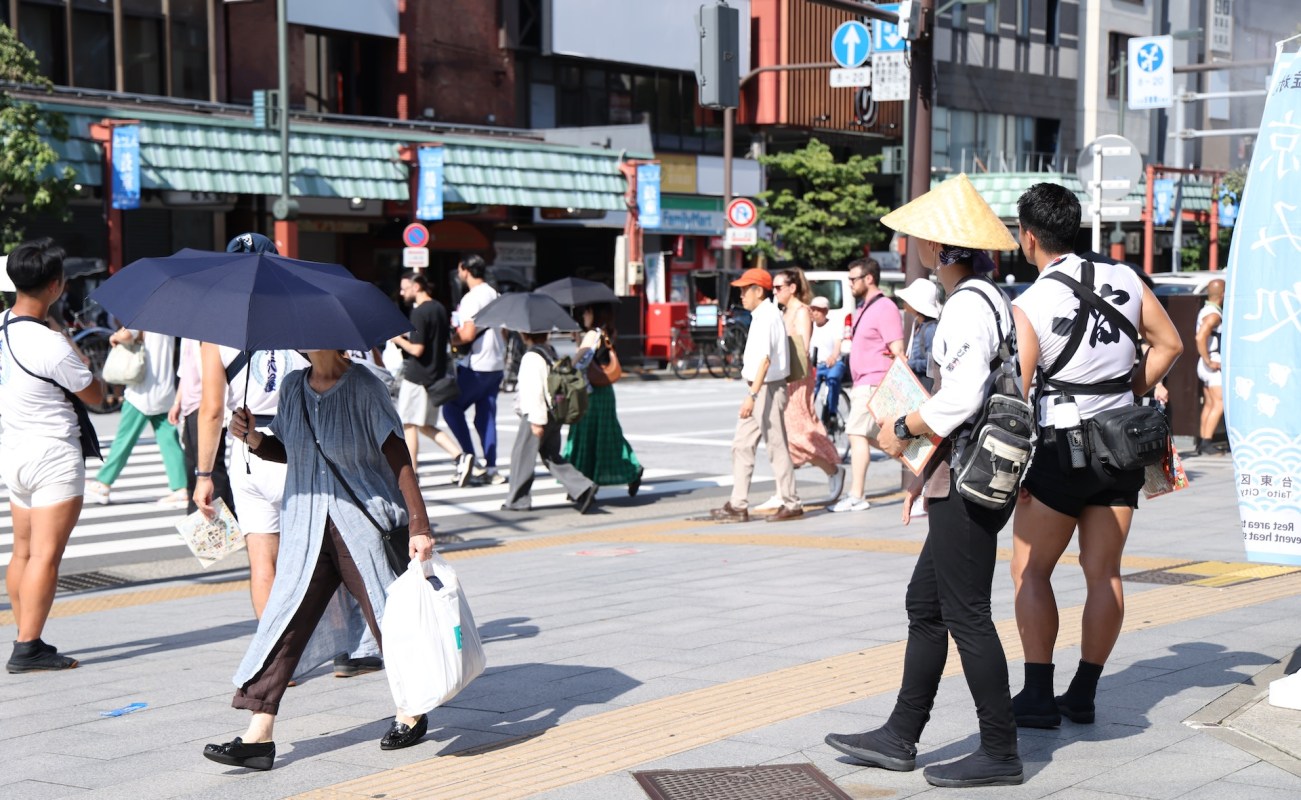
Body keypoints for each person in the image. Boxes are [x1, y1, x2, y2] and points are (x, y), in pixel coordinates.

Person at [825, 174, 1026, 788]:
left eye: (920, 238)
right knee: (927, 605)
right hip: (967, 471)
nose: (914, 246)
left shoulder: (967, 304)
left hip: (967, 476)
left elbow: (960, 396)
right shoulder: (989, 299)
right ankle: (901, 734)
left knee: (966, 614)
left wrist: (904, 427)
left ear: (940, 249)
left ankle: (1000, 750)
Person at [201, 349, 436, 770]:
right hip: (305, 527)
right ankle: (259, 733)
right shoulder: (293, 386)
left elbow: (398, 457)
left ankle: (412, 711)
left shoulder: (366, 386)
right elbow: (292, 451)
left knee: (387, 617)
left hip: (361, 524)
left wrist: (419, 525)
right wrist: (253, 438)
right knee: (285, 618)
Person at [1008, 182, 1182, 730]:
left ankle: (1037, 695)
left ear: (1029, 237)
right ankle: (1082, 693)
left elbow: (1018, 391)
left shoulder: (1031, 302)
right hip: (1121, 446)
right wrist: (1128, 391)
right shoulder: (1126, 278)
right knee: (1103, 572)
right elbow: (1171, 344)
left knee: (1030, 570)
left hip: (1060, 447)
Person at [1, 238, 106, 672]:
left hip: (14, 452)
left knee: (22, 551)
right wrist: (63, 333)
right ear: (56, 286)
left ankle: (24, 635)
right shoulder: (52, 344)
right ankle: (28, 646)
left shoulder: (2, 326)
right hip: (53, 458)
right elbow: (97, 396)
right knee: (45, 554)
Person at [709, 268, 802, 523]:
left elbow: (764, 360)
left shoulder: (767, 316)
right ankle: (738, 504)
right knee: (741, 444)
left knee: (776, 446)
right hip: (761, 388)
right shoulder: (762, 315)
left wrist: (751, 394)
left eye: (744, 289)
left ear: (758, 290)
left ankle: (791, 502)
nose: (740, 295)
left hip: (766, 389)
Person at [754, 269, 844, 510]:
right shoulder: (782, 312)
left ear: (792, 288)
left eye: (778, 287)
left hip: (797, 377)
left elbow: (803, 349)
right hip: (783, 377)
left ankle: (832, 469)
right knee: (779, 434)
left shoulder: (802, 311)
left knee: (796, 433)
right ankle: (782, 491)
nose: (774, 292)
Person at [84, 330, 188, 507]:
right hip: (163, 389)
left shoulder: (144, 315)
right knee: (169, 440)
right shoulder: (168, 319)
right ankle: (181, 488)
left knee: (124, 439)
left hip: (141, 391)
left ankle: (103, 483)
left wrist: (115, 337)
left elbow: (127, 335)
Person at [389, 271, 475, 486]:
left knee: (409, 424)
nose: (402, 293)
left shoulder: (419, 313)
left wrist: (397, 339)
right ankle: (460, 457)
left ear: (416, 286)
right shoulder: (438, 308)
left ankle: (412, 475)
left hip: (417, 376)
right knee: (425, 425)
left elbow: (417, 349)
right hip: (434, 375)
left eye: (404, 288)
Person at [833, 258, 904, 513]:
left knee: (856, 433)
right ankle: (924, 472)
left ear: (869, 278)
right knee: (881, 440)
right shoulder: (864, 307)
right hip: (864, 381)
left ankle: (857, 495)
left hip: (875, 381)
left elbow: (897, 349)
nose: (850, 283)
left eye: (853, 278)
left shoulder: (884, 307)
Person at [501, 330, 598, 514]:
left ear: (525, 334)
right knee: (551, 456)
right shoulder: (549, 351)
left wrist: (536, 421)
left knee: (522, 456)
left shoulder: (531, 356)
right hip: (554, 412)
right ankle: (583, 487)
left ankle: (517, 500)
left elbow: (533, 391)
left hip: (537, 414)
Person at [563, 305, 644, 495]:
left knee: (584, 435)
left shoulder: (593, 333)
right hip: (604, 390)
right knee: (607, 435)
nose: (584, 315)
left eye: (587, 312)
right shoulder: (606, 331)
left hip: (592, 393)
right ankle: (631, 470)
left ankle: (581, 482)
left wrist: (574, 355)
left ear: (594, 313)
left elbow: (580, 361)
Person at [443, 255, 505, 484]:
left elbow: (468, 334)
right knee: (487, 417)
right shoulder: (494, 293)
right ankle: (491, 468)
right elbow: (505, 332)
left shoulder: (471, 298)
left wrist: (450, 340)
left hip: (478, 363)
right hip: (496, 363)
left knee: (451, 408)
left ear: (466, 270)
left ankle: (471, 460)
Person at [169, 338, 235, 516]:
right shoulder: (189, 333)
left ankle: (223, 522)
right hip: (190, 407)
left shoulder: (210, 335)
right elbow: (185, 369)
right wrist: (178, 402)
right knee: (192, 466)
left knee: (212, 469)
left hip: (205, 406)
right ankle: (197, 517)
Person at [1193, 279, 1225, 457]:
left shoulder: (1205, 310)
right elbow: (1200, 337)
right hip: (1212, 361)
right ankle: (1206, 442)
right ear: (1223, 294)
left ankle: (1204, 441)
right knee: (1218, 404)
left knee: (1210, 404)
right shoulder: (1214, 315)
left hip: (1206, 362)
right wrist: (1209, 360)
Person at [896, 279, 941, 393]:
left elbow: (931, 365)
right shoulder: (919, 325)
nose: (904, 302)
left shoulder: (930, 329)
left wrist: (909, 363)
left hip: (924, 387)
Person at [809, 296, 847, 421]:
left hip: (833, 364)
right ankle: (807, 412)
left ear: (825, 311)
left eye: (818, 310)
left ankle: (832, 413)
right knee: (810, 387)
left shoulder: (834, 325)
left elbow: (837, 345)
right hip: (816, 365)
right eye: (812, 309)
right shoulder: (809, 326)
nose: (814, 312)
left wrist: (833, 357)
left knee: (833, 379)